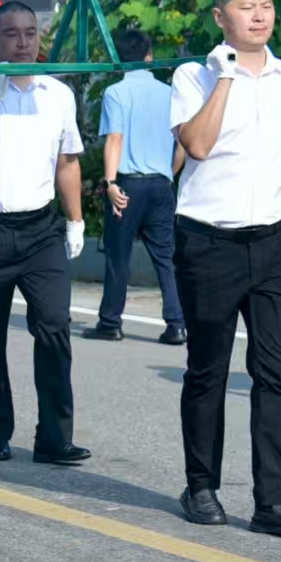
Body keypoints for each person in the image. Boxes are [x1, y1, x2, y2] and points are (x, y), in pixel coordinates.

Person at [169, 0, 281, 539]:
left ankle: (271, 501)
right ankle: (201, 485)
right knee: (208, 369)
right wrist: (225, 78)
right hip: (209, 241)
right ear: (219, 15)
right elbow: (198, 145)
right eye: (246, 7)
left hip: (273, 242)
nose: (260, 17)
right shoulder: (192, 77)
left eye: (267, 6)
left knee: (275, 373)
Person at [0, 1, 89, 466]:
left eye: (30, 32)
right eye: (11, 33)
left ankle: (55, 437)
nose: (23, 42)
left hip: (40, 229)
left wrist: (76, 220)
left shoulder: (57, 93)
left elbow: (67, 161)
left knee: (55, 326)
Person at [87, 27, 187, 345]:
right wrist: (168, 174)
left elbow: (115, 139)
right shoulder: (169, 93)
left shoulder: (115, 93)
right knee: (166, 257)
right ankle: (177, 325)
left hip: (127, 186)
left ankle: (111, 322)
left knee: (118, 255)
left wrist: (110, 182)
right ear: (149, 56)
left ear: (119, 58)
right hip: (161, 185)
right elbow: (182, 144)